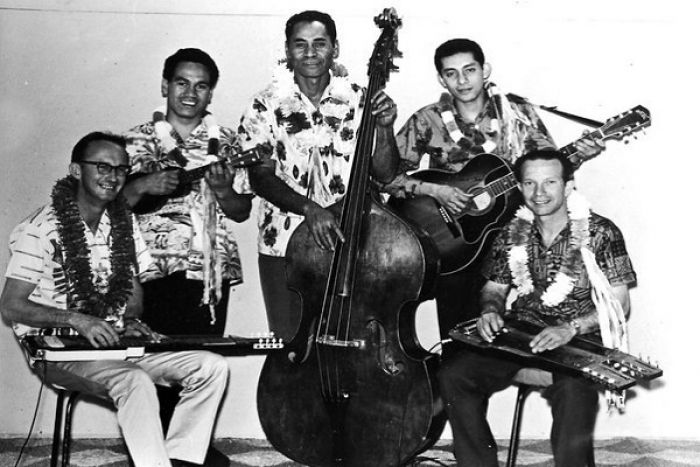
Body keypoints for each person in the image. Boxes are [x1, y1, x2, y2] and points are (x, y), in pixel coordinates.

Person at [0, 132, 229, 467]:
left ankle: (180, 460)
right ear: (76, 170)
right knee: (134, 381)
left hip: (116, 345)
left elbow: (133, 300)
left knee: (211, 366)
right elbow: (11, 305)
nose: (113, 176)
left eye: (121, 169)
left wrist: (130, 321)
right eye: (102, 167)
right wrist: (79, 320)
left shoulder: (123, 223)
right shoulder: (39, 229)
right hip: (59, 351)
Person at [381, 38, 605, 344]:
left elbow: (549, 167)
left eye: (469, 70)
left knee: (508, 321)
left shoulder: (516, 114)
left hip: (505, 237)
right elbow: (386, 177)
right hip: (450, 241)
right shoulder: (427, 119)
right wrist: (436, 191)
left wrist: (579, 153)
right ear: (440, 78)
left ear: (484, 70)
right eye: (451, 73)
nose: (462, 81)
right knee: (454, 336)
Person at [437, 149, 637, 466]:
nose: (539, 193)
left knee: (574, 392)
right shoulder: (510, 233)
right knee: (454, 374)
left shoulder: (601, 232)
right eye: (530, 183)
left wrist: (569, 328)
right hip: (519, 333)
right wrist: (490, 309)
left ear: (568, 186)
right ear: (519, 188)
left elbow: (619, 306)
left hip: (578, 339)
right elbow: (493, 289)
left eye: (550, 182)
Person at [122, 48, 251, 466]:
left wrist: (225, 189)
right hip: (150, 267)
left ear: (210, 93)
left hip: (209, 269)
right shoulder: (133, 140)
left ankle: (189, 451)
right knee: (150, 361)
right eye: (181, 82)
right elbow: (114, 201)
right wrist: (146, 184)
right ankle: (152, 448)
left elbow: (241, 210)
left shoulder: (228, 142)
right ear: (165, 85)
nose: (190, 93)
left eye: (200, 85)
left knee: (201, 360)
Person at [237, 10, 399, 341]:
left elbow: (385, 173)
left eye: (319, 44)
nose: (310, 53)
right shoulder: (263, 104)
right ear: (287, 50)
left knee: (354, 342)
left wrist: (385, 129)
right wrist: (310, 209)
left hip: (353, 243)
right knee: (291, 345)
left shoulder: (359, 97)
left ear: (335, 48)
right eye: (300, 45)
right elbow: (260, 177)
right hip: (283, 244)